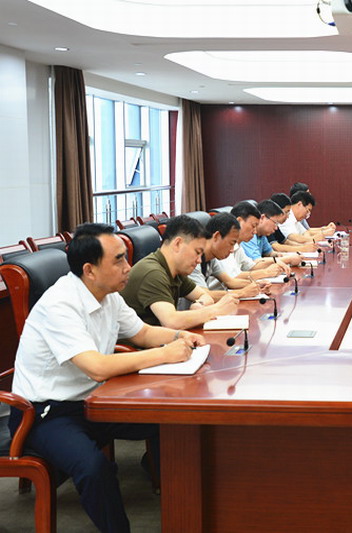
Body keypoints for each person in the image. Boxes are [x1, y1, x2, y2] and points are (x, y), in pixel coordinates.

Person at [10, 223, 205, 532]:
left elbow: (142, 333)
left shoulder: (108, 295)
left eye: (125, 257)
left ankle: (184, 508)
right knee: (93, 468)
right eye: (118, 260)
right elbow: (97, 367)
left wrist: (180, 336)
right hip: (44, 413)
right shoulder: (60, 304)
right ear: (89, 270)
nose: (128, 267)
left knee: (173, 421)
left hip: (94, 400)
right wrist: (165, 354)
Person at [120, 214, 239, 329]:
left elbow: (204, 295)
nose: (199, 260)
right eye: (197, 252)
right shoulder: (152, 272)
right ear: (177, 244)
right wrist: (216, 310)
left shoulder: (175, 271)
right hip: (141, 343)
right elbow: (172, 322)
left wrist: (200, 304)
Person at [188, 213, 266, 299]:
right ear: (217, 236)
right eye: (231, 243)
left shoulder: (212, 258)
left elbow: (230, 282)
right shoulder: (193, 259)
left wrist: (257, 285)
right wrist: (242, 292)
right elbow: (203, 295)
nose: (232, 250)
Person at [240, 199, 303, 266]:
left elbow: (269, 253)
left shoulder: (262, 235)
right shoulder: (249, 234)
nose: (276, 228)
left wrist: (286, 255)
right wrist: (288, 259)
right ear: (263, 218)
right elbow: (256, 262)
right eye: (275, 223)